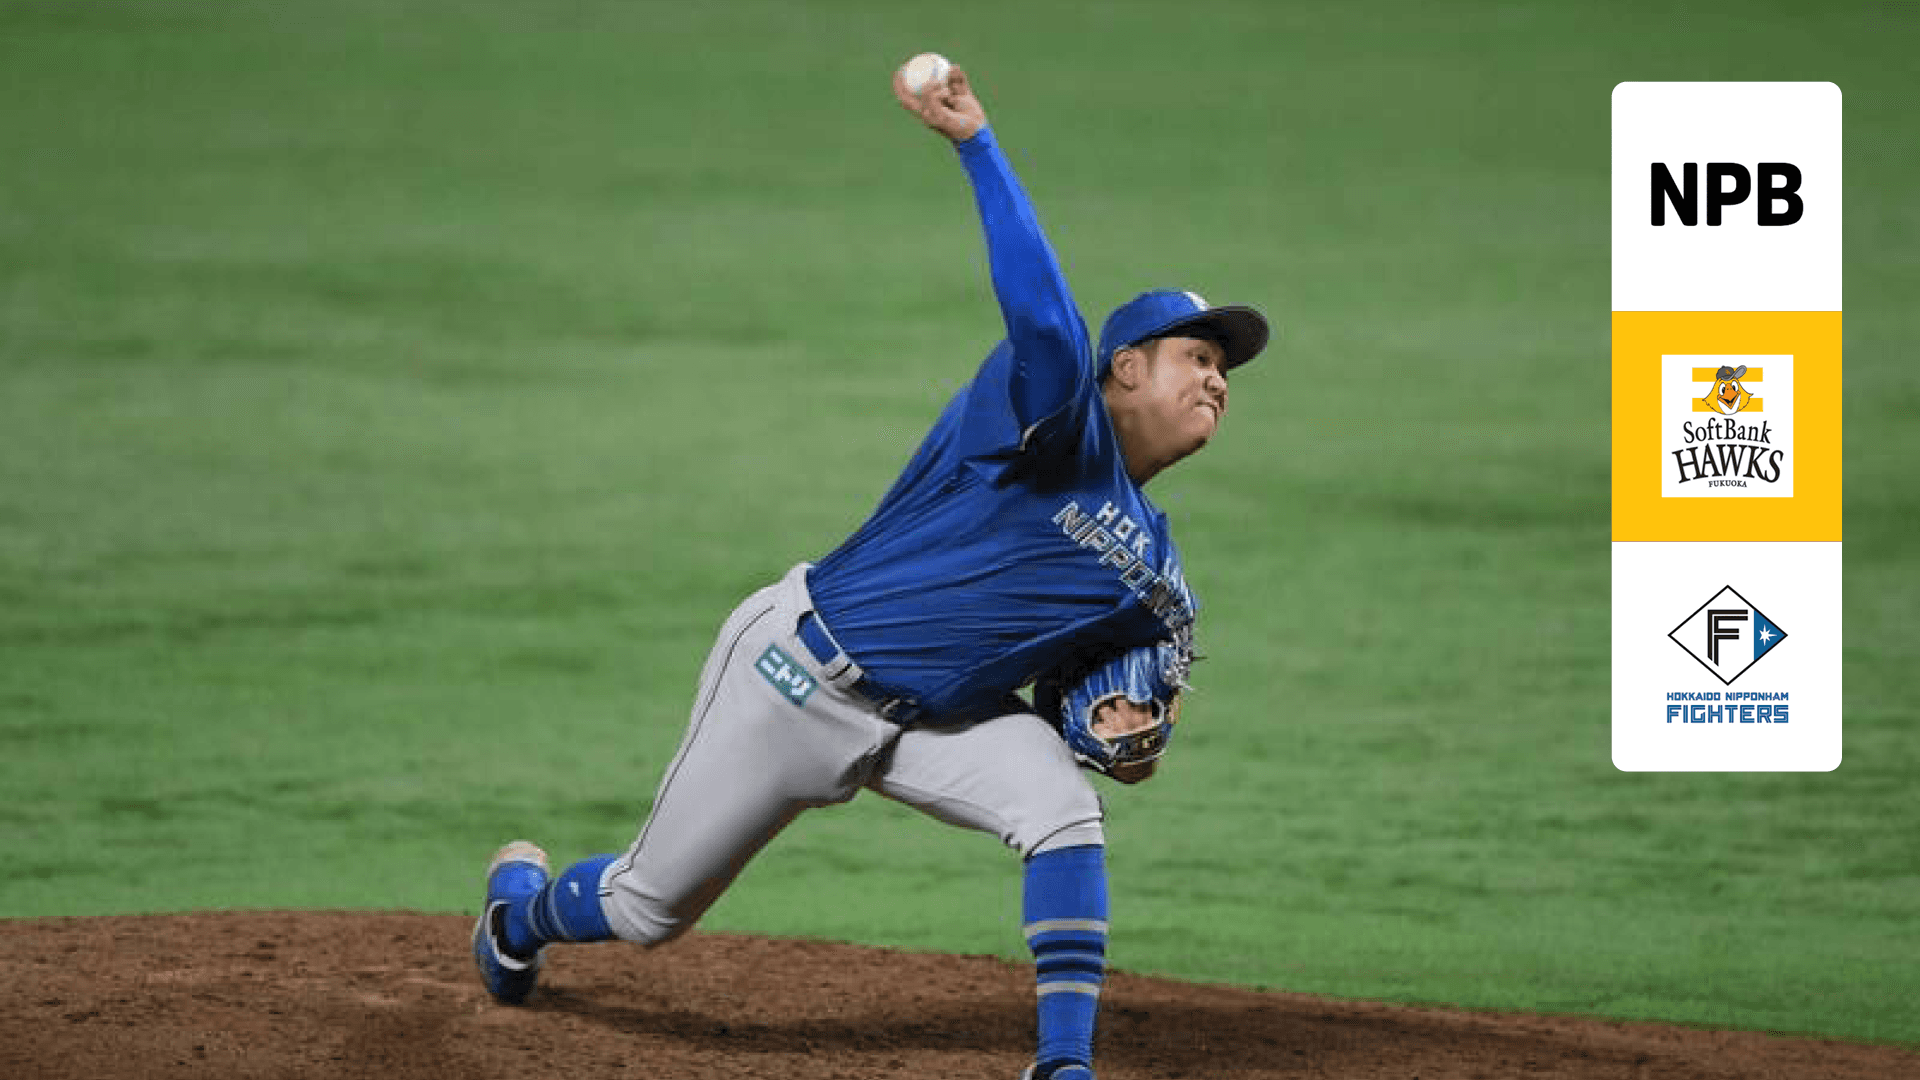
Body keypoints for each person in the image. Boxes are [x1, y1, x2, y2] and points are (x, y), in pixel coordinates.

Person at [471, 58, 1270, 1080]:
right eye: (1196, 357)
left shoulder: (1156, 573)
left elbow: (1127, 730)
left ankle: (1062, 1066)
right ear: (1124, 369)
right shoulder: (1055, 418)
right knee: (646, 907)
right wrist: (976, 143)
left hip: (928, 728)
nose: (1217, 380)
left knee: (1065, 809)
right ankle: (517, 918)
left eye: (1224, 370)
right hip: (794, 678)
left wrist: (1124, 733)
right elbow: (1040, 313)